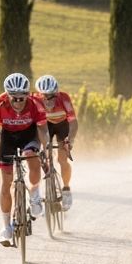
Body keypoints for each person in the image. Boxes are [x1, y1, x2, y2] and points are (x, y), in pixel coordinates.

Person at [0, 72, 49, 245]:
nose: (18, 102)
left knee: (32, 157)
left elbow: (43, 130)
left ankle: (35, 193)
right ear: (7, 96)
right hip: (7, 138)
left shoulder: (36, 104)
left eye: (22, 98)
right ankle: (6, 226)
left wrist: (45, 147)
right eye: (14, 98)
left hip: (29, 135)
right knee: (6, 183)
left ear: (27, 95)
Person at [31, 74, 78, 210]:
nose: (48, 100)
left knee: (62, 159)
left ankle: (66, 189)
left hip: (62, 126)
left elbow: (73, 122)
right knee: (40, 155)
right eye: (44, 96)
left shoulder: (64, 98)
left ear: (56, 93)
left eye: (52, 96)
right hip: (44, 126)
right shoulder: (33, 99)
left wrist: (70, 139)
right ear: (39, 94)